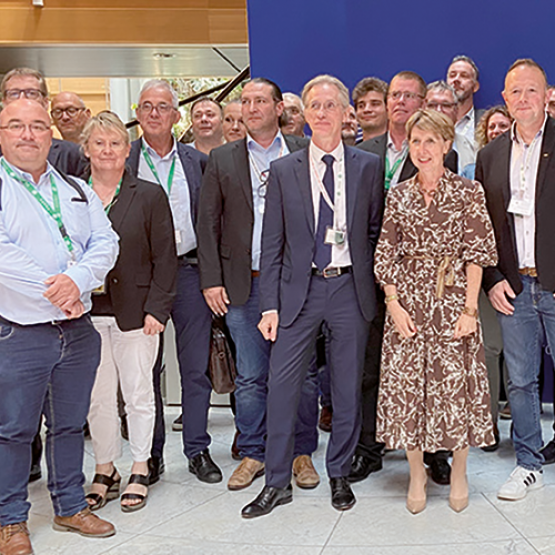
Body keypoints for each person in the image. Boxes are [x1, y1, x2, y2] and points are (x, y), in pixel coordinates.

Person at [241, 74, 383, 518]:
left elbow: (375, 231)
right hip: (296, 292)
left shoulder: (367, 166)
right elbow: (272, 242)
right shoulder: (284, 170)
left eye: (329, 106)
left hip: (348, 288)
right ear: (301, 116)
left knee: (345, 387)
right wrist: (269, 303)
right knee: (282, 388)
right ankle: (277, 481)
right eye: (313, 106)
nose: (321, 114)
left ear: (347, 115)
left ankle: (339, 471)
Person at [0, 99, 119, 555]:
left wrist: (80, 280)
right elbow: (5, 254)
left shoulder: (75, 188)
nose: (28, 134)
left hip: (77, 332)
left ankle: (70, 505)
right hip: (19, 331)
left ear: (50, 135)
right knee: (13, 430)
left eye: (36, 126)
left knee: (69, 425)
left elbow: (106, 240)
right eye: (16, 125)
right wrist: (60, 287)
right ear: (3, 133)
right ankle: (11, 521)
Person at [198, 78, 320, 492]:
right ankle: (254, 451)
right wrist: (211, 280)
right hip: (242, 285)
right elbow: (208, 223)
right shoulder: (223, 159)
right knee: (251, 376)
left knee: (302, 375)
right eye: (244, 101)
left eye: (258, 101)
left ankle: (302, 452)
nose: (250, 108)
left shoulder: (304, 152)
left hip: (298, 287)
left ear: (278, 106)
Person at [375, 108, 497, 514]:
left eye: (431, 141)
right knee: (410, 388)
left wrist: (470, 310)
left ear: (447, 145)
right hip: (408, 303)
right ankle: (416, 474)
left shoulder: (468, 192)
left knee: (455, 388)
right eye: (415, 141)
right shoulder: (398, 194)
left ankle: (459, 471)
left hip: (453, 300)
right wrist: (393, 304)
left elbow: (478, 254)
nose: (423, 149)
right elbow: (386, 254)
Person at [353, 71, 458, 487]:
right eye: (393, 95)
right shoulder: (364, 150)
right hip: (368, 274)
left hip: (423, 284)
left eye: (408, 96)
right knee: (370, 367)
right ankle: (369, 448)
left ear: (422, 105)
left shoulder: (436, 154)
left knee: (428, 367)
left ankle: (435, 452)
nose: (399, 102)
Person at [127, 79, 221, 486]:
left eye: (162, 106)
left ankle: (197, 449)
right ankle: (149, 456)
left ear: (176, 115)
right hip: (141, 279)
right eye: (146, 106)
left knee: (194, 368)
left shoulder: (196, 162)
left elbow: (212, 223)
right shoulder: (125, 159)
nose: (153, 113)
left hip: (188, 273)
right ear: (137, 114)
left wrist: (212, 276)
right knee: (146, 371)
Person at [82, 112, 177, 513]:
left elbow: (166, 259)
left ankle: (140, 464)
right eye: (99, 143)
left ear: (127, 149)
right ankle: (106, 468)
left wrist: (158, 307)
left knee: (138, 394)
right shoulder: (71, 194)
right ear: (85, 148)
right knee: (98, 398)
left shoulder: (149, 194)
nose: (107, 151)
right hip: (84, 313)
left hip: (138, 313)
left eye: (115, 143)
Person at [476, 59, 555, 501]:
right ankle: (528, 464)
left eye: (531, 90)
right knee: (521, 380)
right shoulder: (490, 156)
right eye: (515, 92)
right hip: (514, 288)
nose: (523, 99)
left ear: (547, 95)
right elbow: (483, 228)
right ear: (504, 99)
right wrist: (491, 279)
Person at [1, 68, 86, 177]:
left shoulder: (72, 155)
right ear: (3, 103)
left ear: (45, 103)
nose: (23, 99)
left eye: (31, 93)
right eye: (14, 94)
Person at [446, 55, 484, 167]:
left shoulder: (485, 121)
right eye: (452, 75)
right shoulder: (431, 120)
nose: (456, 80)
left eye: (464, 76)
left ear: (475, 86)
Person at [352, 77, 388, 141]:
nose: (367, 110)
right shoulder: (346, 150)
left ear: (388, 109)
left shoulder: (406, 149)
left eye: (375, 104)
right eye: (361, 106)